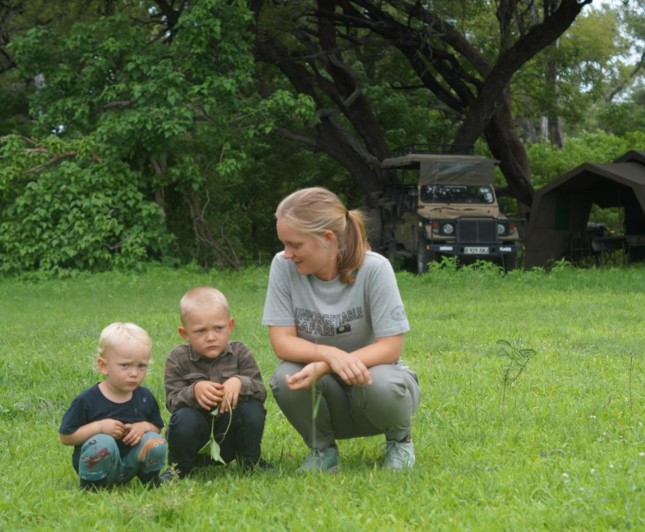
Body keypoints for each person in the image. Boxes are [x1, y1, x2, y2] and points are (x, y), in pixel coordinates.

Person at [263, 186, 421, 472]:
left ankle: (400, 442)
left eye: (295, 244)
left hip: (374, 388)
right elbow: (281, 342)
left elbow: (391, 346)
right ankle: (322, 451)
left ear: (327, 239)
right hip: (326, 392)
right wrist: (329, 355)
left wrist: (328, 364)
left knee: (384, 382)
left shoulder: (375, 269)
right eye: (283, 243)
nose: (287, 253)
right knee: (286, 376)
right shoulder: (282, 267)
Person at [164, 286, 271, 477]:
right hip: (195, 441)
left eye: (218, 328)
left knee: (252, 410)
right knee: (184, 419)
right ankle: (178, 469)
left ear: (230, 326)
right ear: (185, 333)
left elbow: (260, 392)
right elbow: (172, 402)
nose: (211, 337)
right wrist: (194, 391)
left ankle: (250, 461)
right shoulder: (177, 358)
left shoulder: (240, 353)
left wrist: (239, 382)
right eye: (200, 331)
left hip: (229, 436)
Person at [59, 322, 167, 491]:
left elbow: (157, 428)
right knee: (104, 442)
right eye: (125, 365)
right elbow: (66, 436)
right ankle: (93, 486)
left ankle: (150, 480)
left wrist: (142, 427)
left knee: (155, 441)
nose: (134, 373)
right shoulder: (88, 400)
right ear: (103, 366)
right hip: (96, 464)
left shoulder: (145, 397)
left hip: (131, 462)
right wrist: (100, 427)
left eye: (141, 366)